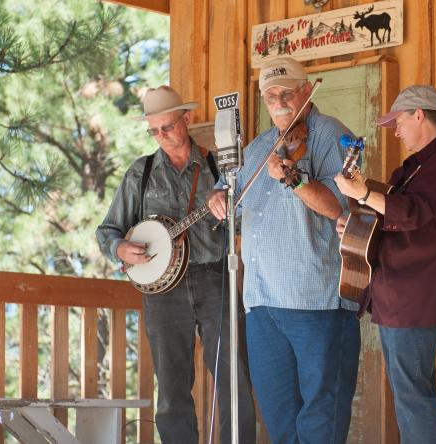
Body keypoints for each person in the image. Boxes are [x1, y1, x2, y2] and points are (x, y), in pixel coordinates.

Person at [206, 56, 361, 444]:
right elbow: (234, 204)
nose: (278, 102)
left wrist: (293, 178)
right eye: (270, 95)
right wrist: (217, 200)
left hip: (315, 301)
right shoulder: (258, 148)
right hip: (260, 304)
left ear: (307, 91)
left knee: (320, 417)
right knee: (278, 419)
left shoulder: (331, 135)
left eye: (286, 93)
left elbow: (338, 207)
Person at [96, 85, 256, 444]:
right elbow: (108, 230)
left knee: (235, 379)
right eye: (153, 130)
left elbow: (247, 221)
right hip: (164, 293)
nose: (161, 136)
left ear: (186, 119)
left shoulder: (220, 167)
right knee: (171, 390)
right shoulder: (142, 172)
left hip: (216, 277)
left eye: (167, 126)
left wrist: (228, 207)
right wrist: (121, 249)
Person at [334, 84, 436, 444]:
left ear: (419, 114)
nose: (396, 131)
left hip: (419, 298)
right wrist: (357, 218)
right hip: (402, 298)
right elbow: (393, 215)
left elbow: (414, 213)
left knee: (413, 399)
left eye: (399, 121)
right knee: (411, 398)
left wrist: (364, 194)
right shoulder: (420, 166)